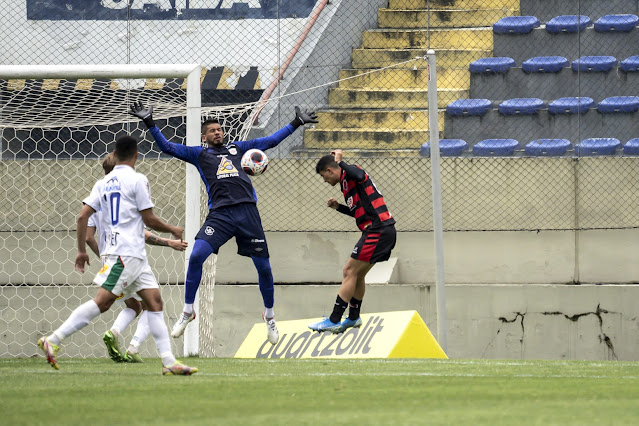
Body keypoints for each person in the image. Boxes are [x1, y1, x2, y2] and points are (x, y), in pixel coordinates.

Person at [129, 101, 317, 345]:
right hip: (220, 215)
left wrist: (296, 122)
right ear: (205, 136)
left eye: (219, 129)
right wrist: (149, 122)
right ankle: (188, 311)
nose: (217, 132)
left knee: (264, 269)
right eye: (212, 130)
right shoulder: (199, 154)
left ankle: (269, 316)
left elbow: (270, 141)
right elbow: (166, 147)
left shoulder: (240, 149)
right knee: (196, 256)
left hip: (248, 213)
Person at [37, 135, 197, 375]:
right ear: (136, 155)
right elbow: (149, 218)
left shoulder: (103, 183)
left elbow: (82, 217)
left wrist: (81, 251)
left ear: (114, 152)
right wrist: (173, 229)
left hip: (131, 256)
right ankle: (54, 339)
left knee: (154, 302)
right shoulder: (138, 179)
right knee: (102, 302)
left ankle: (169, 361)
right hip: (125, 255)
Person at [85, 152, 188, 363]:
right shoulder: (124, 196)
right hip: (127, 257)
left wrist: (104, 258)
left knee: (134, 306)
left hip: (109, 260)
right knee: (152, 305)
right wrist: (169, 241)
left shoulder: (97, 197)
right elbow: (140, 231)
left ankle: (113, 333)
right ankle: (133, 348)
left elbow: (88, 237)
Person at [308, 149, 396, 333]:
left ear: (331, 170)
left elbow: (360, 174)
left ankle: (333, 320)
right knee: (357, 275)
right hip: (380, 230)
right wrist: (338, 207)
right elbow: (358, 211)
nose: (325, 181)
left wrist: (340, 162)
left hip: (378, 230)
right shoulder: (346, 184)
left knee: (349, 270)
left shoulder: (352, 172)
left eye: (325, 177)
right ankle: (353, 318)